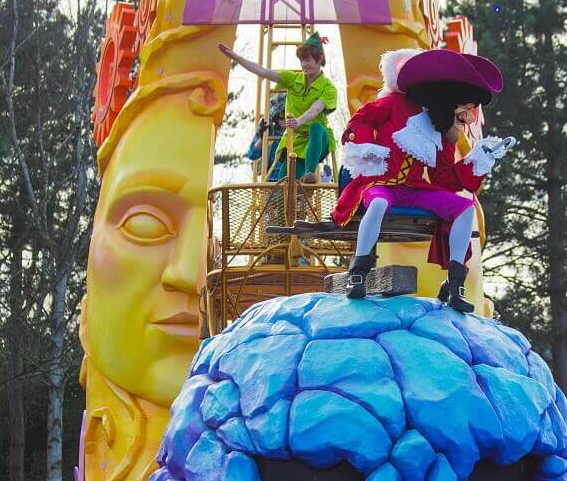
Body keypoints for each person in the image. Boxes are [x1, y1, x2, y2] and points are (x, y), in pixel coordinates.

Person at [328, 48, 514, 309]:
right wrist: (368, 146)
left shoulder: (441, 125)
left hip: (414, 190)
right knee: (379, 203)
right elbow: (361, 120)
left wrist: (476, 161)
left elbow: (444, 178)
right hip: (380, 185)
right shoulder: (393, 104)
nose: (467, 114)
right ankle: (358, 272)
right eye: (466, 105)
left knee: (464, 208)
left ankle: (455, 284)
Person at [220, 35, 337, 184]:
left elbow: (316, 108)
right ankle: (294, 193)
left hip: (318, 139)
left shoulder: (328, 88)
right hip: (295, 141)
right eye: (301, 60)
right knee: (284, 184)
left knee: (316, 127)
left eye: (307, 60)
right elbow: (261, 71)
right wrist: (235, 57)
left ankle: (309, 173)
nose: (303, 64)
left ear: (319, 59)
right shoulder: (293, 79)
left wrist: (298, 121)